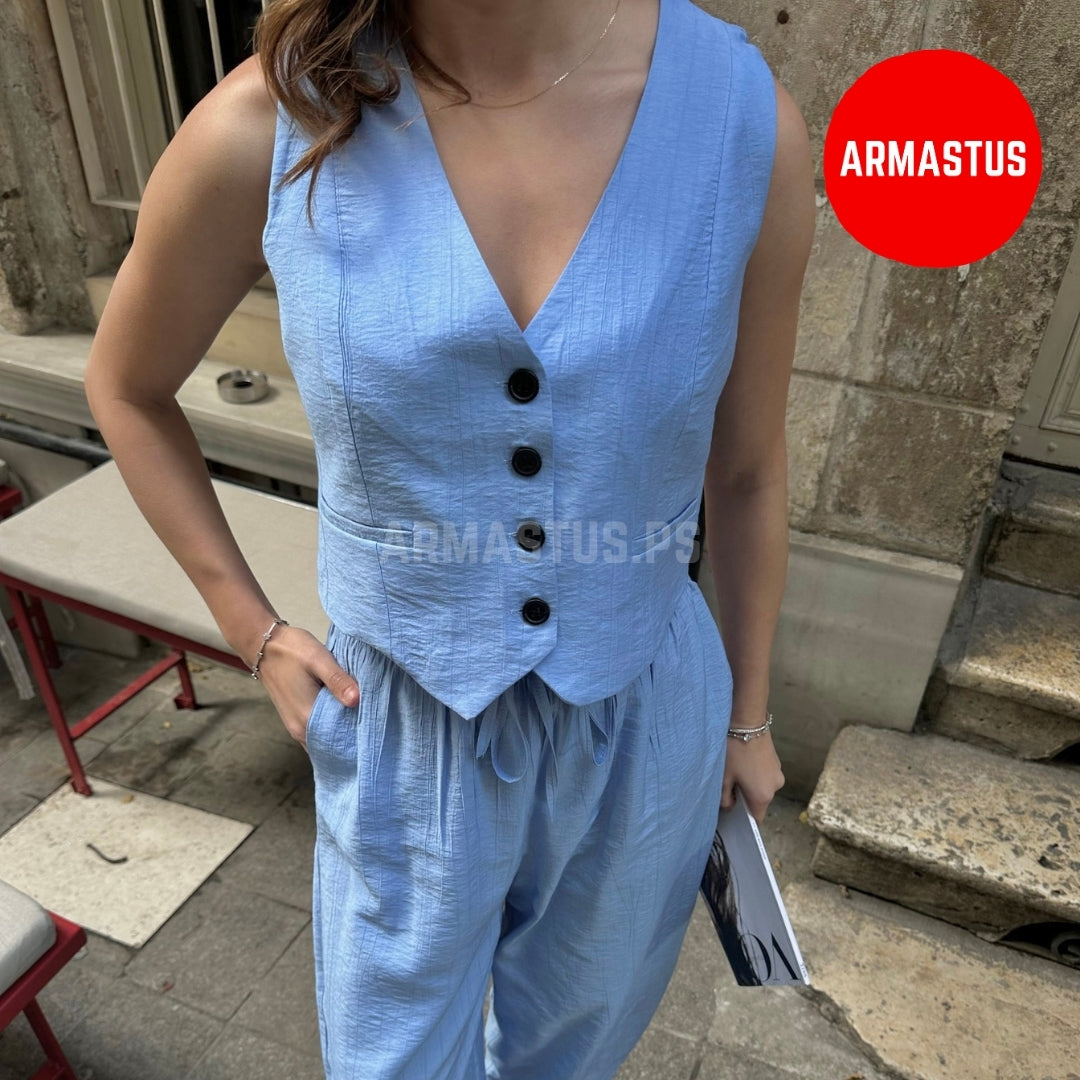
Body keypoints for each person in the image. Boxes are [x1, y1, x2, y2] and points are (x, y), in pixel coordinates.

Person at [84, 0, 815, 1075]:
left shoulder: (744, 122)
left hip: (646, 718)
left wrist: (746, 719)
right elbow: (126, 386)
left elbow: (746, 471)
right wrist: (254, 631)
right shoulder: (271, 124)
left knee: (576, 1050)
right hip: (401, 725)